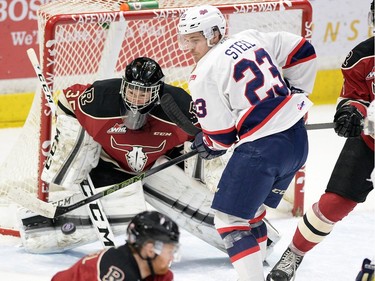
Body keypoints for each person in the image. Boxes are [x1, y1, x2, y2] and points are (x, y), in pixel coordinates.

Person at [177, 5, 317, 281]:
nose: (188, 47)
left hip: (263, 149)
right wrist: (296, 92)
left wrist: (207, 142)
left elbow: (222, 138)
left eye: (194, 39)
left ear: (214, 34)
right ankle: (257, 265)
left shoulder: (202, 73)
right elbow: (303, 50)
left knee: (228, 220)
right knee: (251, 210)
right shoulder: (251, 37)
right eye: (185, 39)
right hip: (298, 141)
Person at [267, 1, 375, 280]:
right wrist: (351, 112)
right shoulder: (362, 57)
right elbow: (355, 95)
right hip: (370, 138)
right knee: (334, 202)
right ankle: (294, 253)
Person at [51, 210, 180, 281]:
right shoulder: (113, 272)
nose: (172, 258)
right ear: (150, 250)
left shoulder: (160, 274)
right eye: (169, 251)